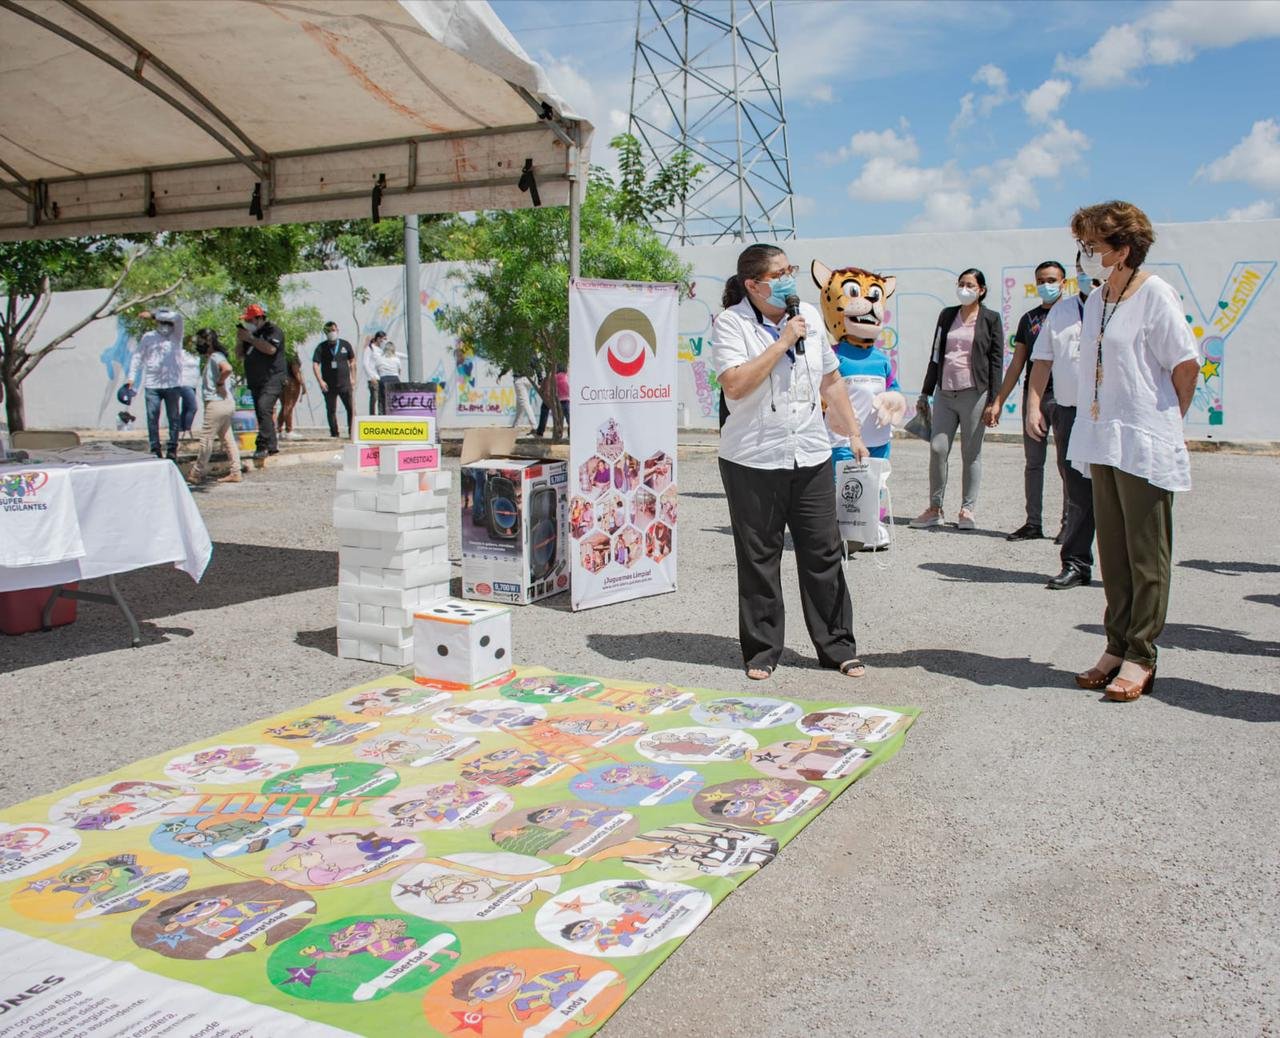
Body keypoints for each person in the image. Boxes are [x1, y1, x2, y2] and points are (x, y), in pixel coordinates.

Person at [710, 243, 869, 681]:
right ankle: (762, 650)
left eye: (790, 269)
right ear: (754, 285)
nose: (788, 278)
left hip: (812, 453)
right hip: (752, 459)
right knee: (760, 557)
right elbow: (737, 385)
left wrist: (852, 433)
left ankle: (837, 645)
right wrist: (782, 342)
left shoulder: (811, 319)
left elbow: (831, 380)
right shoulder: (731, 324)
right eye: (778, 273)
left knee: (823, 553)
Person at [1066, 201, 1200, 702]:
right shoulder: (1099, 298)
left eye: (1093, 245)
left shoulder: (1156, 294)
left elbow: (1185, 366)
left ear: (1122, 250)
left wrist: (1164, 425)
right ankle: (1116, 643)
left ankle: (1142, 653)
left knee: (1147, 556)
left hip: (1142, 440)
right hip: (1103, 437)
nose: (1086, 254)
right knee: (1114, 554)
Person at [910, 269, 1004, 530]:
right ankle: (934, 508)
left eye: (970, 285)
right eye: (961, 284)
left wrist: (994, 401)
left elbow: (996, 362)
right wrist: (925, 392)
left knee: (971, 453)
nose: (965, 288)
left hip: (975, 392)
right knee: (938, 448)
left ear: (981, 290)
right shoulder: (947, 315)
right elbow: (936, 355)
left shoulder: (991, 319)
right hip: (945, 391)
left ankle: (967, 510)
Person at [1027, 253, 1096, 590]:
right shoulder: (1063, 312)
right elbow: (1041, 361)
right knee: (1077, 490)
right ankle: (1076, 563)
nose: (1087, 274)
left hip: (1111, 414)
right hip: (1070, 412)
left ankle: (1124, 569)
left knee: (1117, 492)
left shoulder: (1127, 305)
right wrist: (1034, 406)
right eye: (1082, 268)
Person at [986, 260, 1069, 542]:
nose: (1047, 285)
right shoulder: (1028, 320)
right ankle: (1033, 522)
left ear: (1063, 282)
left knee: (1066, 464)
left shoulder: (1074, 315)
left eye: (1052, 279)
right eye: (1042, 280)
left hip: (1065, 398)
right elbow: (1016, 364)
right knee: (1034, 463)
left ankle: (1069, 523)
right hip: (1034, 398)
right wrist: (998, 400)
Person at [124, 308, 185, 460]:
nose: (165, 325)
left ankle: (172, 449)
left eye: (167, 322)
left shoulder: (176, 336)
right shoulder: (148, 337)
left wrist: (152, 314)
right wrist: (131, 377)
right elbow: (137, 357)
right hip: (152, 385)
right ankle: (155, 448)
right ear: (156, 323)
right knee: (152, 418)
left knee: (173, 418)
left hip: (172, 384)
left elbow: (177, 317)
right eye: (161, 322)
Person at [187, 329, 241, 485]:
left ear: (207, 342)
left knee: (206, 439)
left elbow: (228, 368)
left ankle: (196, 473)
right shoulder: (216, 356)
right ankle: (235, 471)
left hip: (216, 403)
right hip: (227, 403)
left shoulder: (215, 356)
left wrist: (219, 383)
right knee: (227, 438)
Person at [235, 303, 287, 459]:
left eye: (250, 320)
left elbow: (270, 349)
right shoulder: (249, 336)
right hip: (256, 379)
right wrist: (240, 340)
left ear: (259, 318)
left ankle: (261, 445)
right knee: (261, 412)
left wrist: (250, 338)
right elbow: (239, 355)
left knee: (264, 407)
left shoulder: (273, 331)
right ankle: (272, 446)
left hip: (273, 378)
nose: (248, 324)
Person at [311, 320, 356, 437]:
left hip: (345, 383)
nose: (332, 332)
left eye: (333, 330)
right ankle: (334, 433)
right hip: (329, 384)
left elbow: (352, 361)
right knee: (331, 410)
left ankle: (352, 432)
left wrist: (352, 378)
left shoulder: (345, 345)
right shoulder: (321, 347)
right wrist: (320, 381)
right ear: (325, 333)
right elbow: (315, 364)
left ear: (337, 330)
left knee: (350, 408)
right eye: (329, 331)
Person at [276, 355, 307, 440]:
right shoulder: (292, 353)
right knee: (289, 406)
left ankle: (279, 430)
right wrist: (303, 384)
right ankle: (289, 430)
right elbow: (296, 370)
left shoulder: (281, 352)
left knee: (284, 406)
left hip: (281, 381)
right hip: (291, 382)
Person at [178, 343, 200, 443]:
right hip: (184, 383)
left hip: (193, 384)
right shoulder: (182, 353)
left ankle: (180, 429)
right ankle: (187, 429)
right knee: (193, 407)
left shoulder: (197, 355)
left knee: (186, 408)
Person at [361, 331, 388, 414]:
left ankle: (381, 416)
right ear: (378, 339)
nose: (385, 341)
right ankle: (372, 416)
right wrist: (371, 376)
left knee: (382, 398)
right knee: (374, 398)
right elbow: (365, 364)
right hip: (373, 378)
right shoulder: (370, 348)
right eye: (384, 339)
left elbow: (394, 354)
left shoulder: (381, 350)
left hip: (381, 378)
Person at [375, 337, 402, 405]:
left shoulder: (379, 359)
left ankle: (383, 413)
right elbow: (399, 371)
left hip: (383, 379)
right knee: (395, 399)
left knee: (383, 399)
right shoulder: (396, 359)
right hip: (395, 379)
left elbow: (377, 370)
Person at [555, 366, 570, 430]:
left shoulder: (555, 376)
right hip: (567, 400)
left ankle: (559, 433)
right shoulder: (567, 376)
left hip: (559, 401)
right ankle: (570, 433)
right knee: (568, 418)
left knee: (560, 419)